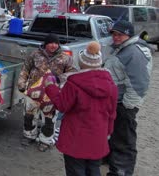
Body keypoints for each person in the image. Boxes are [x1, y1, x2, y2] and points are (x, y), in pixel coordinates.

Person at [44, 41, 118, 176]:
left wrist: (50, 86)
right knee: (94, 169)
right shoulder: (111, 86)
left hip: (75, 138)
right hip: (98, 137)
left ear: (81, 63)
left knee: (75, 170)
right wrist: (108, 132)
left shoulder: (73, 84)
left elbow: (62, 105)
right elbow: (112, 113)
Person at [103, 20, 153, 176]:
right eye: (114, 34)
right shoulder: (121, 49)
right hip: (115, 101)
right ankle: (109, 158)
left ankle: (121, 170)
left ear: (129, 35)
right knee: (113, 133)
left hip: (124, 103)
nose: (116, 37)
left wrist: (128, 106)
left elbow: (139, 83)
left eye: (120, 35)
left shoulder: (133, 53)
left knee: (123, 139)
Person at [17, 33, 76, 151]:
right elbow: (25, 69)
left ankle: (45, 140)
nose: (53, 45)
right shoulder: (35, 54)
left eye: (56, 43)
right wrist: (21, 84)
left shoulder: (65, 58)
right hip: (33, 92)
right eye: (50, 43)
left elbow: (73, 72)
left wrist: (60, 78)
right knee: (29, 115)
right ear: (45, 44)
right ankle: (29, 135)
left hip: (52, 95)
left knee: (49, 119)